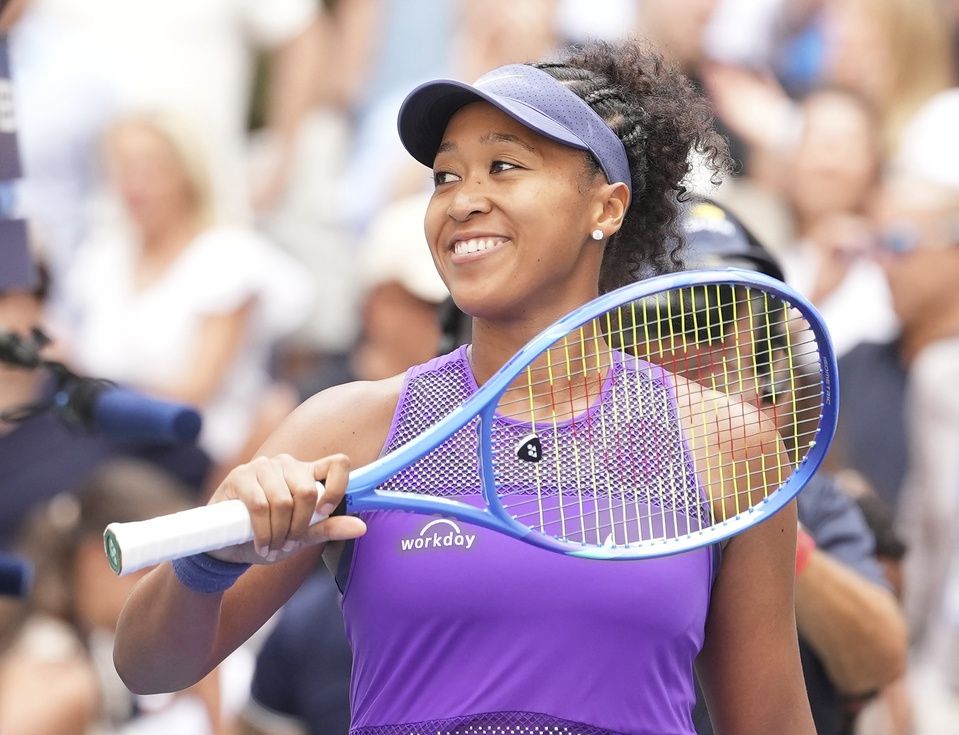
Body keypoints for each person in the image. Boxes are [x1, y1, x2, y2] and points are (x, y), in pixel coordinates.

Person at [113, 39, 815, 734]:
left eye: (503, 167)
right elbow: (149, 666)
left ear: (606, 207)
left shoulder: (726, 443)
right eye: (445, 178)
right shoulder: (347, 427)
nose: (463, 201)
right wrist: (208, 563)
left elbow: (772, 721)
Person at [680, 199, 908, 735]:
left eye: (739, 327)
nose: (714, 354)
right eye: (687, 323)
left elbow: (879, 660)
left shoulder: (827, 503)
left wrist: (765, 514)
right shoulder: (589, 502)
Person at [66, 112, 313, 473]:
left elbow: (196, 391)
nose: (134, 185)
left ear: (186, 174)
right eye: (122, 168)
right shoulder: (104, 255)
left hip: (189, 449)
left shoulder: (227, 257)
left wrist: (90, 392)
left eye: (149, 168)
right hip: (102, 440)